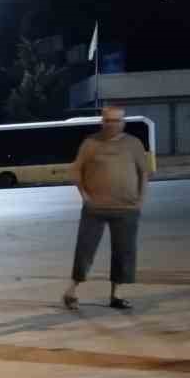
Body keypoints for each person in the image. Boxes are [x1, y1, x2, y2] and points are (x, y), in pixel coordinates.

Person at [64, 106, 150, 311]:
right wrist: (84, 195)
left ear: (123, 122)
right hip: (95, 208)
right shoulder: (91, 144)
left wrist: (140, 200)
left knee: (123, 252)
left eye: (117, 120)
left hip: (127, 208)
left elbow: (143, 173)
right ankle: (71, 291)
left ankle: (116, 295)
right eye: (109, 120)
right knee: (85, 250)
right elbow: (76, 170)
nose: (113, 124)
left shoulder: (133, 144)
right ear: (102, 122)